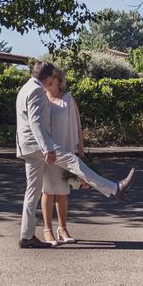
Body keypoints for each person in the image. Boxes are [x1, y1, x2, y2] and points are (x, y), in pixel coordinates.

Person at [16, 61, 135, 248]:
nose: (51, 84)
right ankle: (114, 189)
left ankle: (26, 235)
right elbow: (36, 123)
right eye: (51, 80)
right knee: (73, 162)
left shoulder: (24, 88)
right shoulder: (37, 91)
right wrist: (48, 149)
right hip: (39, 144)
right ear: (47, 78)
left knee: (32, 191)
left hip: (26, 147)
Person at [41, 67, 86, 245]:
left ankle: (63, 229)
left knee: (62, 191)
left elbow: (77, 127)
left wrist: (80, 152)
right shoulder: (41, 98)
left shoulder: (68, 99)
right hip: (47, 151)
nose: (49, 80)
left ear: (58, 79)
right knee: (47, 190)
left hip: (66, 149)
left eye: (52, 77)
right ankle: (47, 230)